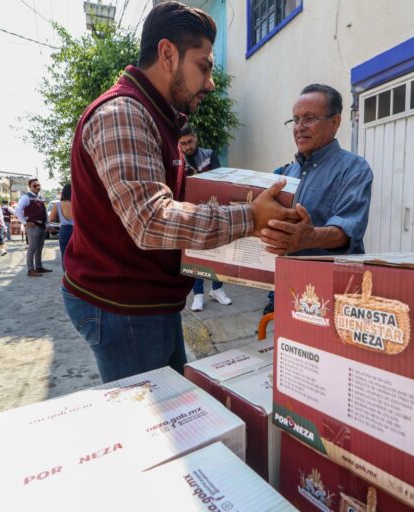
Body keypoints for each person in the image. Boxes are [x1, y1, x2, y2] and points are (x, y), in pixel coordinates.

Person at [62, 1, 297, 383]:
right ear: (168, 54)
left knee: (174, 414)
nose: (210, 82)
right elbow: (152, 221)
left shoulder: (156, 117)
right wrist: (250, 217)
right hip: (123, 306)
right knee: (151, 428)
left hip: (150, 302)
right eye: (204, 66)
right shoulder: (124, 113)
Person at [261, 83, 374, 315]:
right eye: (295, 120)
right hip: (287, 286)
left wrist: (310, 238)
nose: (299, 128)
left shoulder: (354, 168)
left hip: (333, 293)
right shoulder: (287, 174)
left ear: (335, 122)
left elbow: (347, 231)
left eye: (309, 118)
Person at [179, 124, 231, 311]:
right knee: (195, 255)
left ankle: (217, 289)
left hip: (213, 210)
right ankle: (198, 294)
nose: (187, 147)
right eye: (183, 144)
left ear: (196, 137)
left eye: (190, 141)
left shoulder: (209, 155)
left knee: (218, 252)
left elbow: (219, 180)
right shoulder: (177, 161)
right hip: (190, 213)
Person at [15, 178, 52, 277]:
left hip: (41, 225)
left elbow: (44, 212)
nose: (37, 187)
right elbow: (18, 210)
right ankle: (30, 269)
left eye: (38, 185)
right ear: (30, 187)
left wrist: (48, 224)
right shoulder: (26, 197)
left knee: (39, 247)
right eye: (34, 186)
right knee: (32, 247)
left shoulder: (40, 197)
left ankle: (39, 267)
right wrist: (25, 222)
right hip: (33, 226)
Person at [49, 183, 74, 271]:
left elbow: (50, 219)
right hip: (76, 230)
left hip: (64, 230)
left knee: (64, 254)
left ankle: (67, 276)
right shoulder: (77, 202)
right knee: (77, 254)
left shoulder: (57, 205)